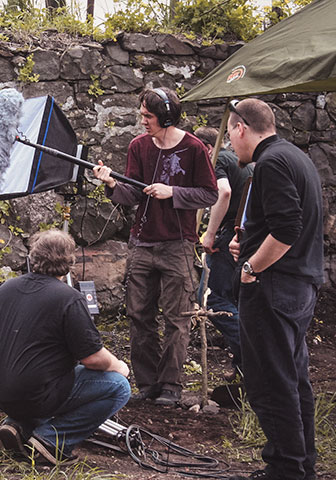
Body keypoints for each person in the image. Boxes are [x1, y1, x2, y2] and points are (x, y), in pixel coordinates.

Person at [93, 87, 218, 406]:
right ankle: (148, 383)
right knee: (139, 314)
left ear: (165, 116)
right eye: (142, 115)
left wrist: (172, 192)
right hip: (142, 243)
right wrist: (110, 184)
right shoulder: (138, 146)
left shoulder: (193, 148)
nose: (142, 120)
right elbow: (132, 194)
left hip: (177, 245)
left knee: (177, 316)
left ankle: (171, 384)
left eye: (147, 116)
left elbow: (209, 194)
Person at [0, 230, 130, 465]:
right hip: (37, 393)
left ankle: (19, 425)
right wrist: (120, 366)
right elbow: (93, 358)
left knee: (44, 380)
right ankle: (51, 441)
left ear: (32, 258)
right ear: (69, 263)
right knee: (118, 387)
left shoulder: (5, 288)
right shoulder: (69, 298)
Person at [226, 99, 323, 480]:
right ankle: (301, 464)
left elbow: (286, 228)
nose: (232, 145)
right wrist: (247, 243)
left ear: (240, 128)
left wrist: (251, 267)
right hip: (298, 285)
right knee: (293, 378)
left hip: (275, 288)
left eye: (232, 135)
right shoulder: (296, 157)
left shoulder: (270, 163)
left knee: (270, 380)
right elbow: (284, 224)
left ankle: (286, 468)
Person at [195, 126, 253, 378]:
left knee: (210, 297)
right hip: (245, 236)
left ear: (207, 147)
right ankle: (244, 365)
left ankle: (253, 357)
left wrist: (210, 234)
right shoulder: (238, 162)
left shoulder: (217, 158)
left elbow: (224, 192)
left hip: (230, 235)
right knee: (235, 299)